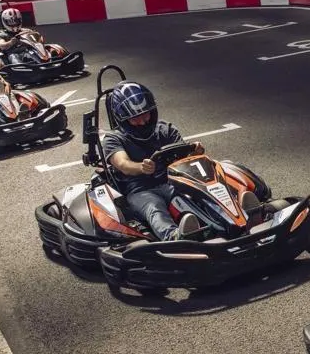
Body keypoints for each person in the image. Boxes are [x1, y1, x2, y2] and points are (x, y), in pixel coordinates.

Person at [101, 81, 255, 241]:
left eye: (145, 114)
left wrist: (194, 152)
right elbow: (123, 164)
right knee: (154, 207)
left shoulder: (165, 129)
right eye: (135, 118)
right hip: (140, 190)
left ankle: (240, 217)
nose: (143, 121)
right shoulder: (113, 139)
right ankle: (175, 237)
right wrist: (141, 167)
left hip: (171, 183)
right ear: (123, 118)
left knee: (198, 194)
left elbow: (185, 159)